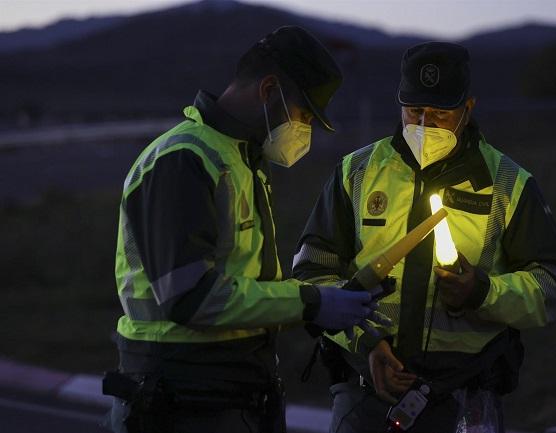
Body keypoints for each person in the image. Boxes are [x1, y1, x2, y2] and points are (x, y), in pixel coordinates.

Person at [103, 26, 385, 433]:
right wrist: (310, 303)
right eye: (303, 115)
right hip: (180, 396)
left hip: (227, 391)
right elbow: (190, 299)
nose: (303, 130)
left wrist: (320, 302)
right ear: (269, 90)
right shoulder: (184, 160)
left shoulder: (242, 159)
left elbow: (244, 282)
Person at [293, 41, 556, 433]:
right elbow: (310, 271)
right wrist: (365, 342)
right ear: (399, 103)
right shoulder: (355, 172)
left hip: (464, 400)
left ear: (468, 109)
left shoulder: (508, 183)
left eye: (441, 113)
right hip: (364, 398)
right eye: (415, 111)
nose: (424, 125)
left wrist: (482, 292)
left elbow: (553, 286)